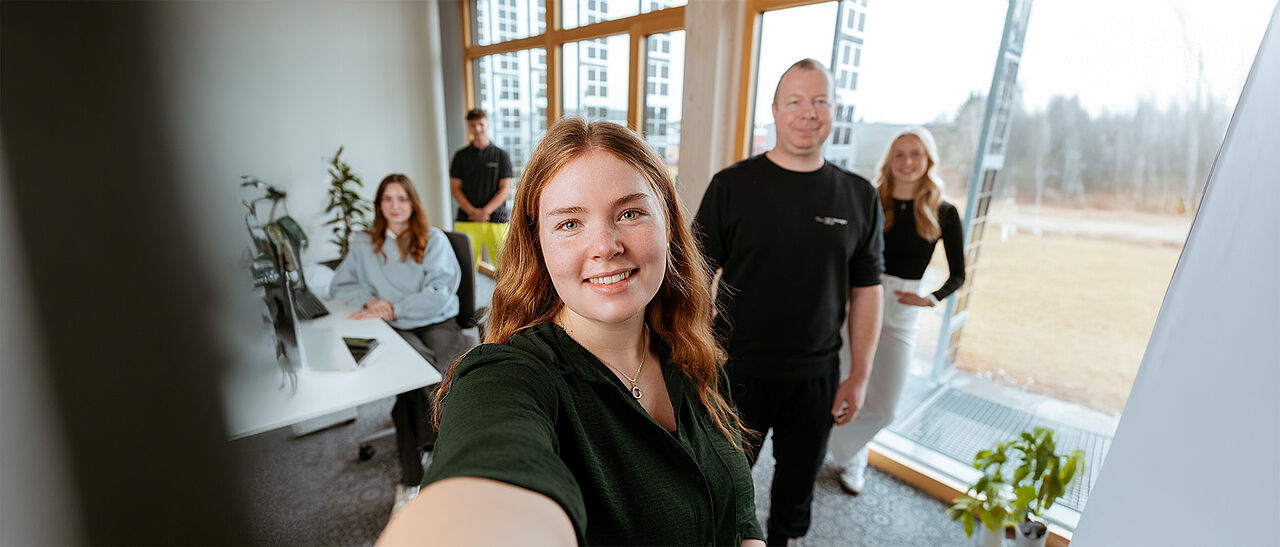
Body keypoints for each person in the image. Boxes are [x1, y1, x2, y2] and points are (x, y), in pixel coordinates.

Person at [379, 118, 765, 547]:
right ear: (538, 244)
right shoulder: (510, 377)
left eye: (631, 213)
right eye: (569, 223)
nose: (605, 245)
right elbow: (480, 492)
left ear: (669, 225)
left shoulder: (695, 357)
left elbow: (740, 515)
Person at [693, 58, 884, 546]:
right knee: (720, 490)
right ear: (775, 111)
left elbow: (867, 291)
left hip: (815, 377)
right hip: (735, 370)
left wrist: (858, 375)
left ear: (834, 112)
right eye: (795, 101)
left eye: (820, 101)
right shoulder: (732, 186)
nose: (808, 113)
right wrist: (689, 356)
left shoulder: (859, 196)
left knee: (795, 500)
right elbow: (692, 278)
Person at [828, 127, 965, 495]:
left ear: (929, 160)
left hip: (903, 308)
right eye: (900, 154)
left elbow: (959, 274)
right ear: (890, 161)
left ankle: (841, 448)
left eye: (915, 154)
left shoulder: (944, 211)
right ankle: (847, 456)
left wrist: (931, 297)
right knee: (840, 385)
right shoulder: (871, 198)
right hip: (858, 297)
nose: (907, 162)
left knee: (885, 404)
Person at [329, 173, 471, 514]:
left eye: (402, 199)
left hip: (435, 318)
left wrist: (395, 306)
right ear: (379, 205)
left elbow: (440, 292)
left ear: (413, 203)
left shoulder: (433, 239)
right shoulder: (365, 244)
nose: (395, 206)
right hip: (395, 325)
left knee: (441, 376)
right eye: (388, 199)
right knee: (412, 376)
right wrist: (369, 301)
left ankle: (416, 476)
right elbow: (339, 286)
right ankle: (439, 460)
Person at [449, 108, 514, 273]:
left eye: (480, 124)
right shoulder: (460, 156)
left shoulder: (501, 156)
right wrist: (473, 211)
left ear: (487, 124)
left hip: (496, 219)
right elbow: (455, 188)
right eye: (473, 125)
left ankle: (505, 300)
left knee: (506, 269)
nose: (477, 129)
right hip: (467, 219)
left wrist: (485, 211)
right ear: (468, 127)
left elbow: (505, 188)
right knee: (464, 269)